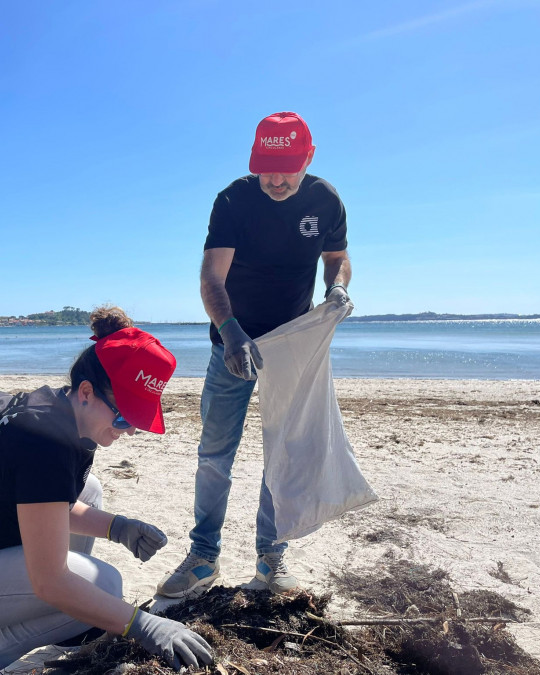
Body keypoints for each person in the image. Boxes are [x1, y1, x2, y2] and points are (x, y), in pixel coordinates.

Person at [0, 306, 213, 675]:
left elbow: (45, 505)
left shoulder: (59, 410)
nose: (130, 431)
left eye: (139, 418)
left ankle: (70, 623)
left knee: (88, 490)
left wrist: (117, 527)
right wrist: (143, 624)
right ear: (87, 392)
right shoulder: (45, 446)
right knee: (105, 585)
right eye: (124, 416)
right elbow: (50, 581)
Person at [156, 112, 352, 598]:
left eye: (286, 168)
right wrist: (230, 332)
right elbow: (211, 278)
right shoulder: (234, 200)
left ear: (308, 158)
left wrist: (338, 289)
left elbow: (337, 259)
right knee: (215, 455)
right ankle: (203, 556)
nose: (276, 180)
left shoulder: (325, 200)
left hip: (292, 346)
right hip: (231, 344)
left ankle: (271, 557)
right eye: (266, 168)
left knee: (281, 455)